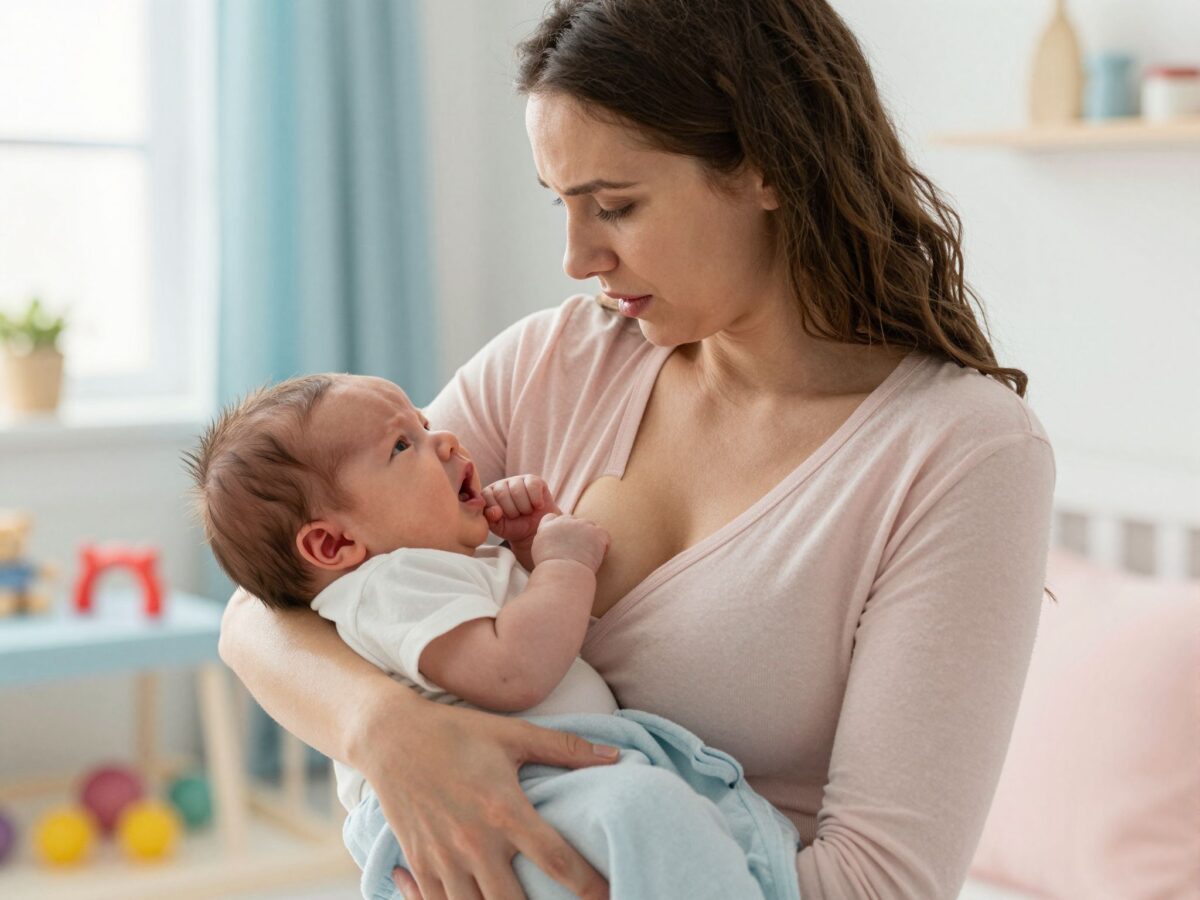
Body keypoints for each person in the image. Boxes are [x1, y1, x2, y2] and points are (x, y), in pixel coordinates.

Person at [217, 1, 1056, 898]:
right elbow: (265, 611)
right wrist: (389, 733)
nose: (577, 257)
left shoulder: (958, 453)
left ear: (767, 165)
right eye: (561, 206)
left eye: (613, 206)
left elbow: (882, 883)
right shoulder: (553, 361)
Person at [187, 372, 802, 899]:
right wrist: (563, 565)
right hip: (494, 795)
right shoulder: (390, 583)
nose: (444, 438)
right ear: (335, 543)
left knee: (674, 826)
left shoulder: (431, 565)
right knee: (649, 816)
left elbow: (513, 632)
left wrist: (525, 550)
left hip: (545, 782)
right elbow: (512, 671)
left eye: (424, 423)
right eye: (404, 445)